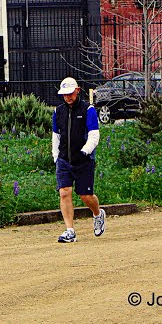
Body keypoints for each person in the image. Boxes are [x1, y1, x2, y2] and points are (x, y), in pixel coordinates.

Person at [52, 76, 105, 243]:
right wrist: (56, 156)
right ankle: (70, 230)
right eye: (64, 94)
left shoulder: (88, 109)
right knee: (64, 192)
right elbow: (56, 136)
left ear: (77, 91)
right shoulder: (58, 111)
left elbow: (94, 135)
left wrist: (85, 152)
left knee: (85, 196)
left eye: (70, 93)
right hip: (64, 159)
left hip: (83, 159)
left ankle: (97, 213)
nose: (67, 97)